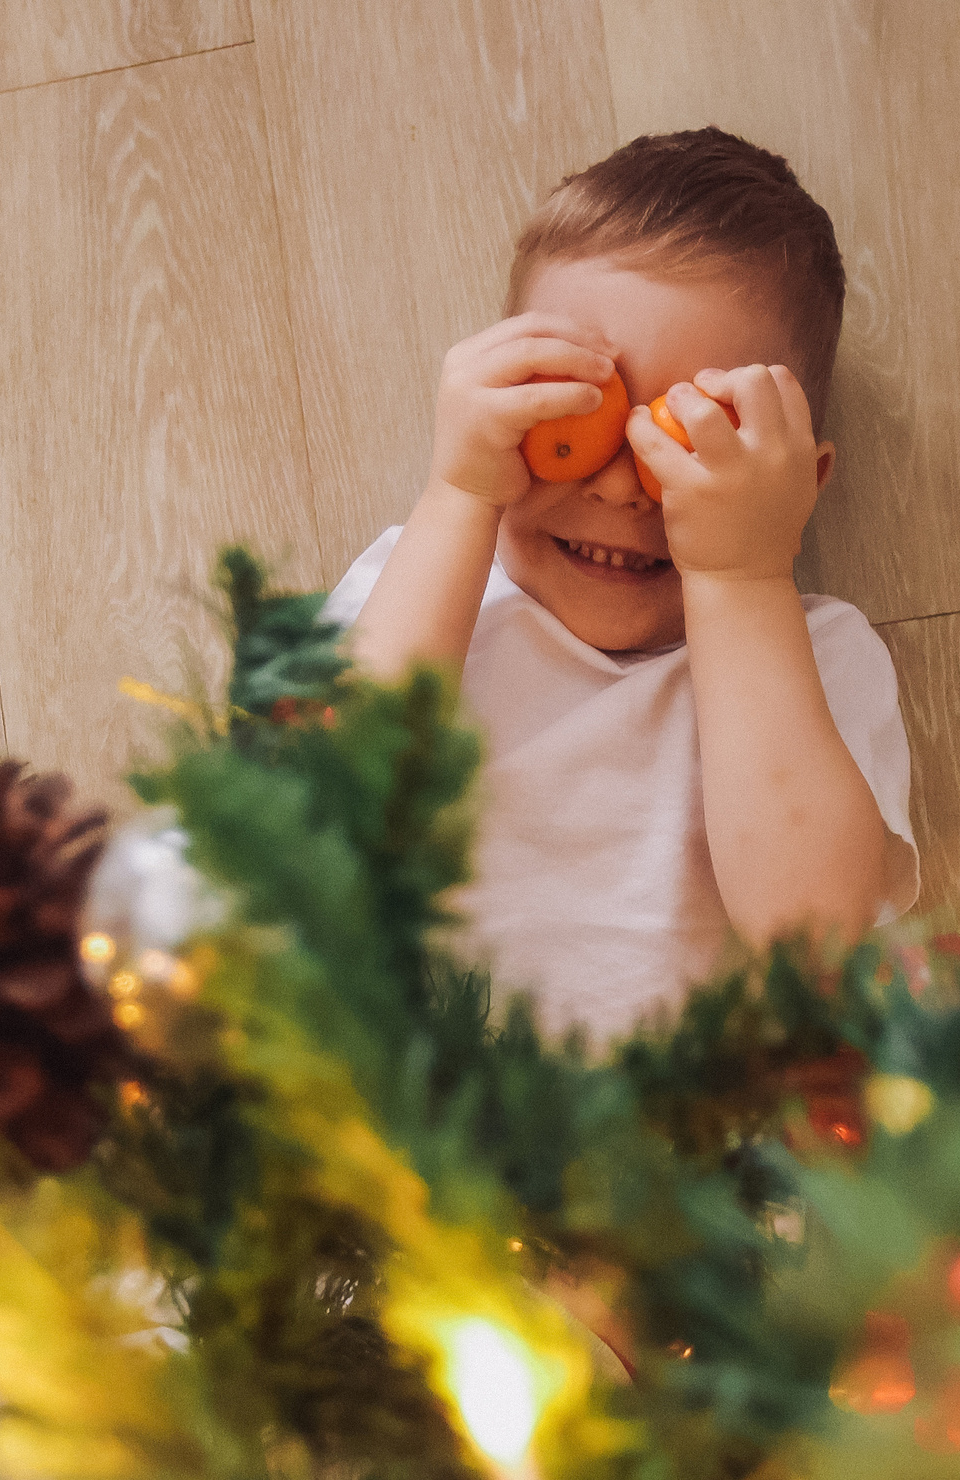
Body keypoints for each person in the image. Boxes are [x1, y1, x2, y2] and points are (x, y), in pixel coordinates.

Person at [330, 128, 916, 1043]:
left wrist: (739, 574)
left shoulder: (815, 657)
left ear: (799, 481)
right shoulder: (420, 587)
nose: (615, 485)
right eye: (574, 417)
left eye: (686, 444)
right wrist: (456, 495)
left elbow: (814, 939)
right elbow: (319, 819)